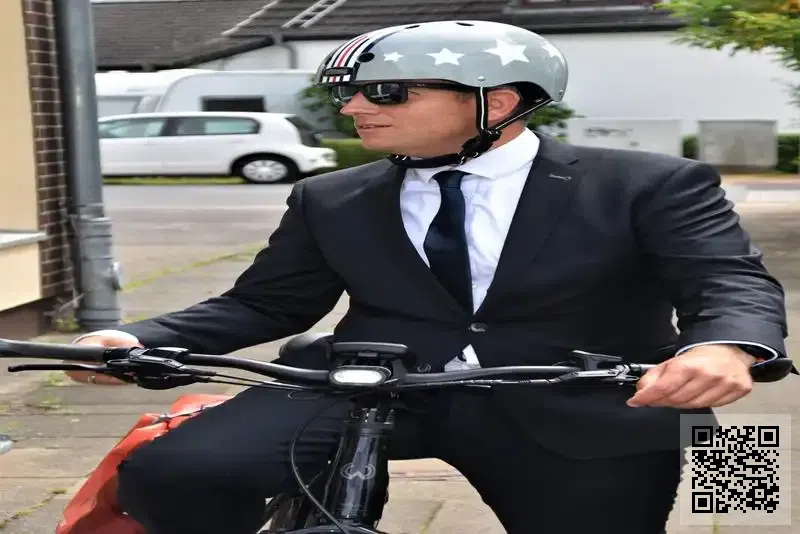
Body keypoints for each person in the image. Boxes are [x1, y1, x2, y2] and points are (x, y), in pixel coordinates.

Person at [70, 20, 794, 534]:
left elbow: (727, 279)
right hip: (376, 387)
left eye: (388, 92)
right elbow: (266, 303)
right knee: (169, 471)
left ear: (497, 103)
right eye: (353, 92)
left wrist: (726, 347)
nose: (353, 108)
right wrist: (131, 338)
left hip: (573, 392)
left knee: (711, 502)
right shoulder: (330, 195)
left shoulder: (651, 183)